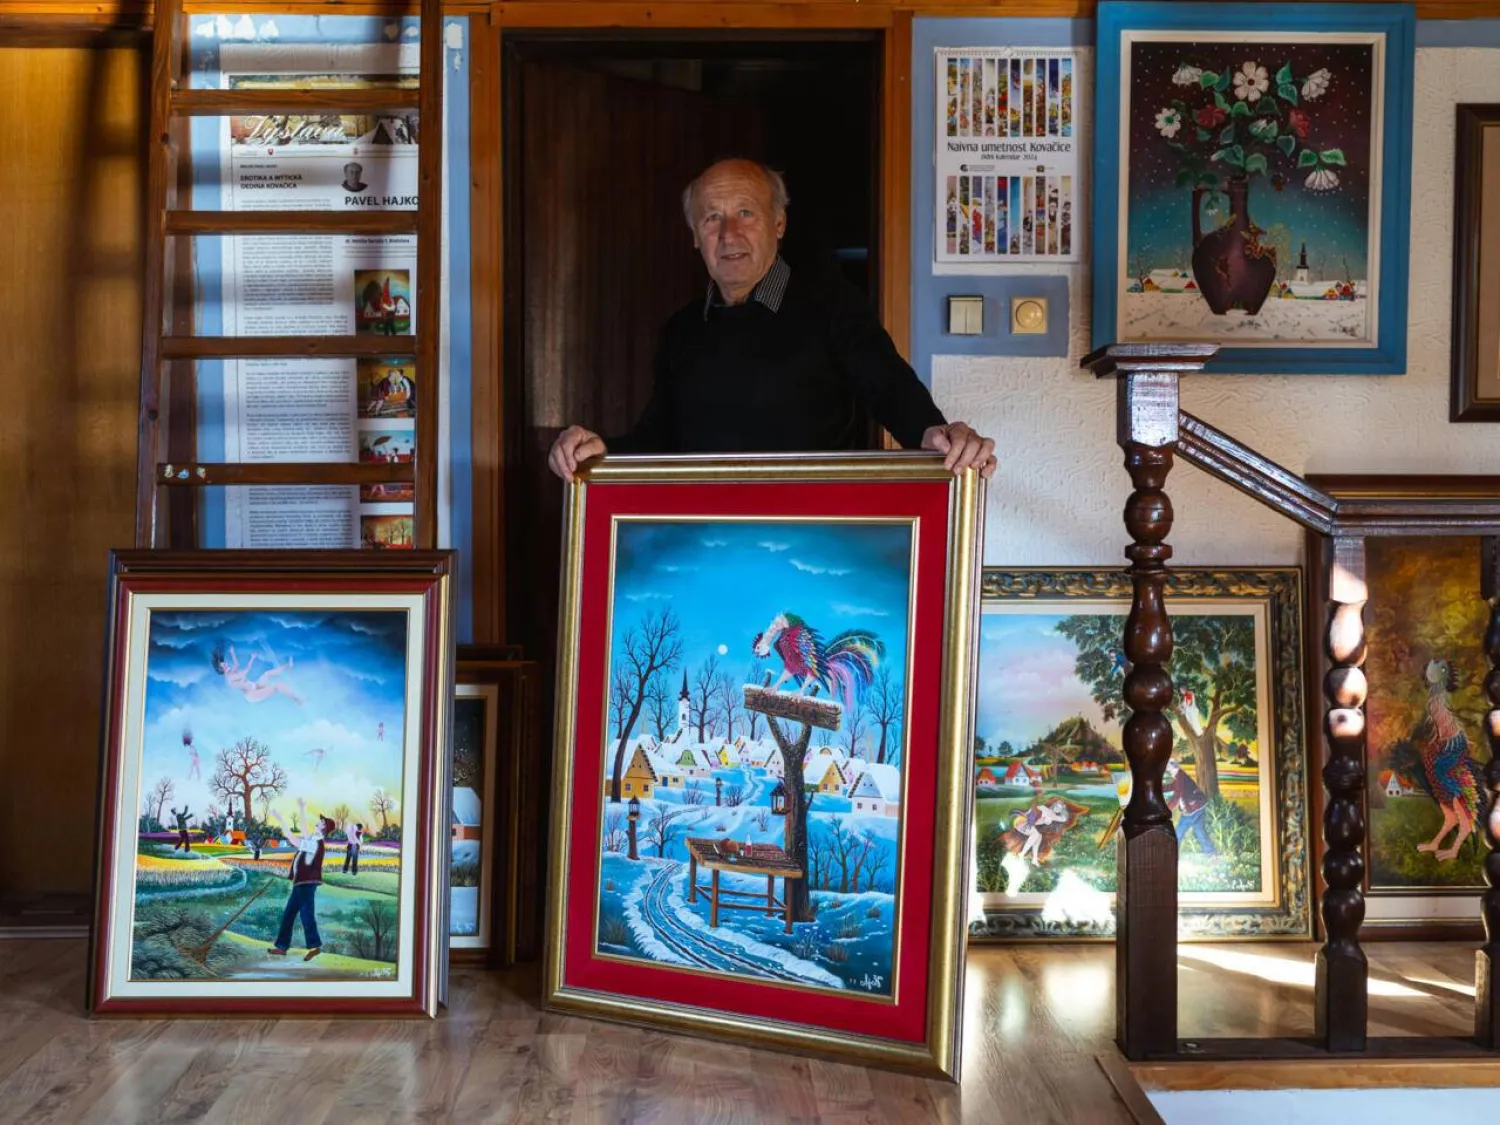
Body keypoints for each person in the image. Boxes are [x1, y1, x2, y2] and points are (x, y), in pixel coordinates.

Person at [547, 158, 997, 481]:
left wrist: (937, 433)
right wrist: (599, 450)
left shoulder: (830, 304)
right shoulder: (682, 329)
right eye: (711, 218)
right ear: (694, 237)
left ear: (778, 224)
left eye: (746, 213)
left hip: (808, 528)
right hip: (711, 532)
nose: (729, 234)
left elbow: (888, 386)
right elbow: (659, 438)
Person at [267, 799, 331, 961]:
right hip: (300, 883)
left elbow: (294, 838)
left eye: (321, 822)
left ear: (324, 828)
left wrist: (286, 816)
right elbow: (300, 831)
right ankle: (282, 947)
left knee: (306, 915)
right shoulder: (312, 840)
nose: (318, 822)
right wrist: (297, 811)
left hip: (306, 884)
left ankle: (314, 947)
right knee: (289, 914)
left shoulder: (316, 843)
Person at [1164, 757, 1216, 857]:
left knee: (1179, 832)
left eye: (1168, 769)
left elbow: (1176, 795)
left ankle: (1172, 855)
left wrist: (1166, 809)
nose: (1167, 771)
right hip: (1198, 807)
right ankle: (1211, 853)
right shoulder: (1179, 776)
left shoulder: (1179, 776)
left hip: (1193, 810)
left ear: (1172, 768)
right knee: (1199, 831)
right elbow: (1172, 787)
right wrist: (1159, 789)